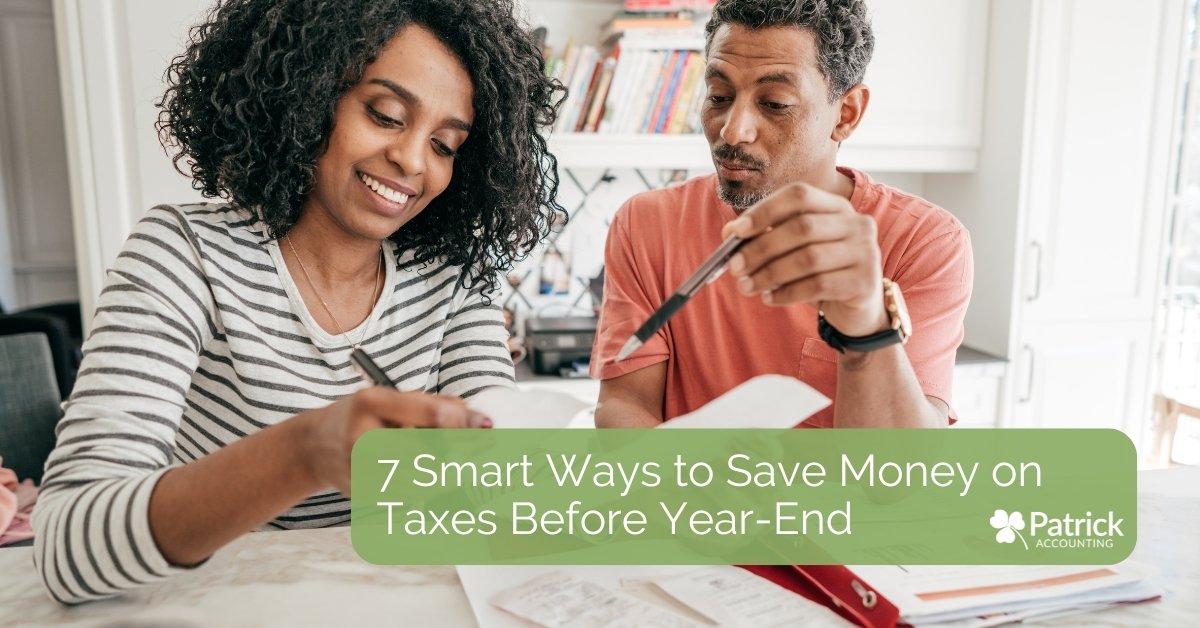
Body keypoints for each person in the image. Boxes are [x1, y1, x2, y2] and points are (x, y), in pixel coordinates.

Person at [33, 0, 564, 604]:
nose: (414, 161)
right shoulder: (186, 254)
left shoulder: (453, 283)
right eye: (386, 115)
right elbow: (66, 546)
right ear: (308, 97)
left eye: (445, 145)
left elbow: (499, 500)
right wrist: (304, 453)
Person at [591, 0, 973, 429]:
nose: (732, 131)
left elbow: (897, 478)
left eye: (774, 103)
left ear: (846, 115)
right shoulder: (647, 224)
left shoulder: (924, 240)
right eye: (719, 96)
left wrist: (866, 321)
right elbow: (625, 405)